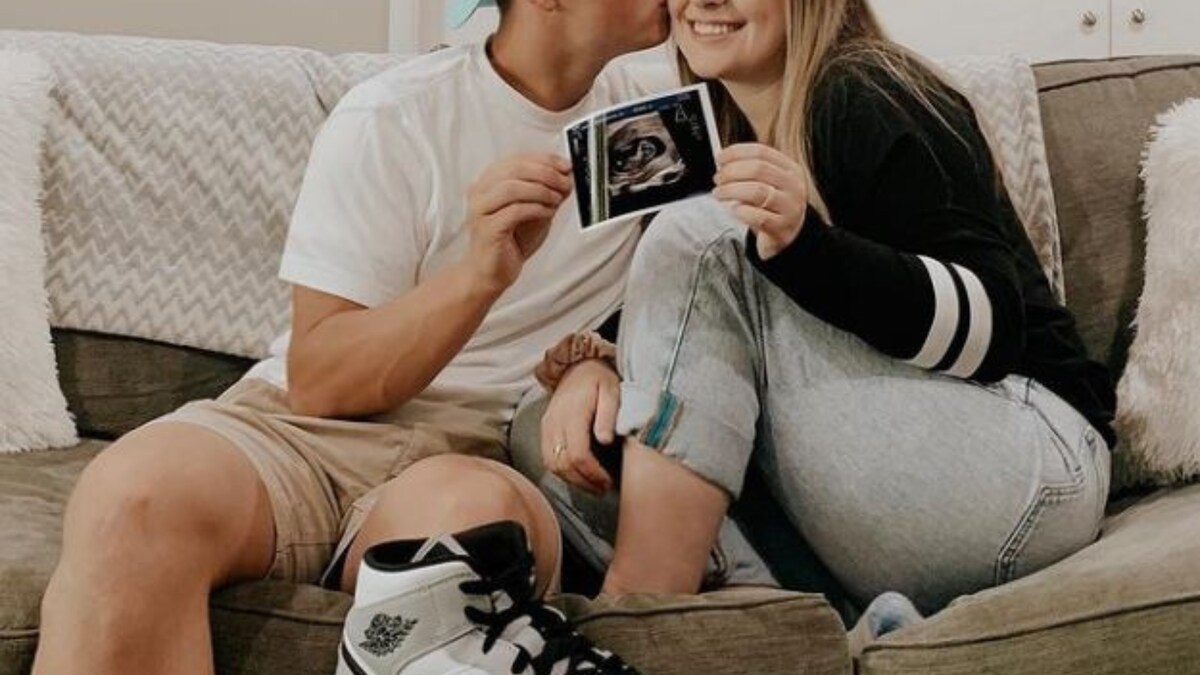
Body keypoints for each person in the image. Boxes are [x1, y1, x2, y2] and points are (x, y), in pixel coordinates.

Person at [31, 2, 671, 674]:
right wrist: (481, 275)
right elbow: (320, 378)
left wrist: (592, 362)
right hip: (300, 431)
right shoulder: (397, 115)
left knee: (465, 527)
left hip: (476, 448)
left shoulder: (663, 123)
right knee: (133, 491)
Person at [525, 0, 1115, 621]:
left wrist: (804, 248)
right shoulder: (701, 137)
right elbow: (690, 342)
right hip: (885, 502)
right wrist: (599, 364)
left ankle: (648, 602)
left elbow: (996, 328)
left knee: (700, 236)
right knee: (546, 427)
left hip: (1032, 468)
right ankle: (772, 613)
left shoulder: (868, 91)